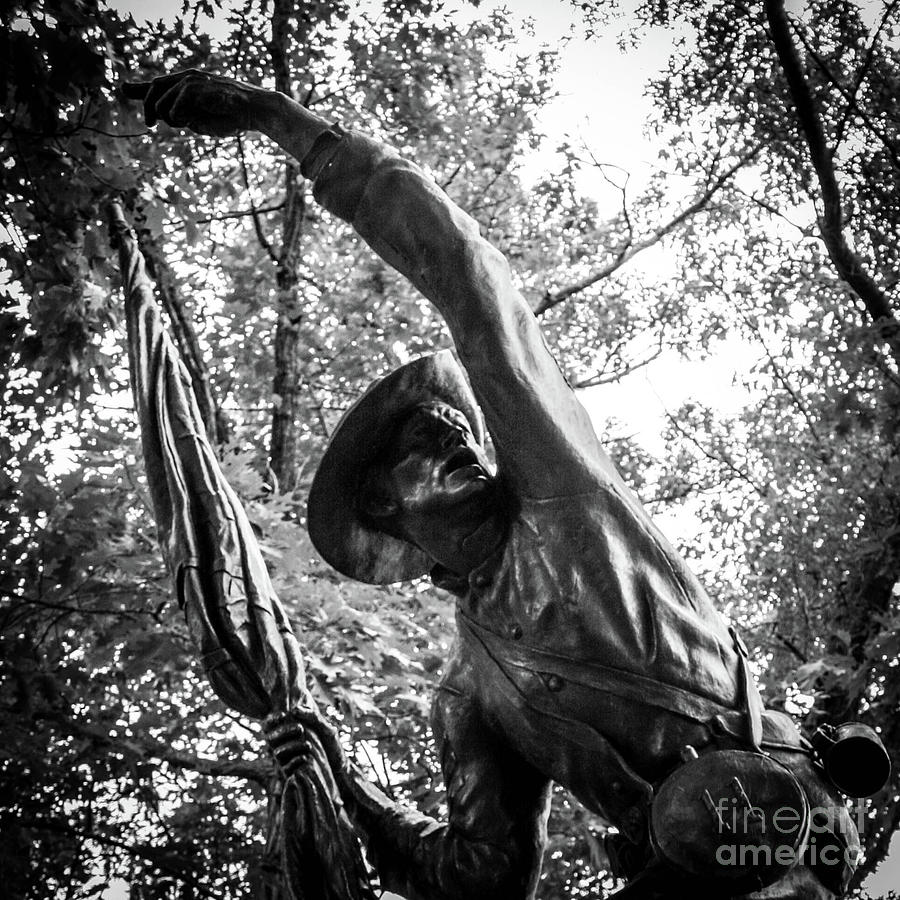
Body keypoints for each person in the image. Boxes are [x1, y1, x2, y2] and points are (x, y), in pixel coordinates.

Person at [126, 69, 862, 899]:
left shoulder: (559, 491)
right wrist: (346, 785)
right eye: (419, 436)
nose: (457, 432)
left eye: (461, 422)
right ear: (383, 506)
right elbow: (481, 877)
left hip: (791, 820)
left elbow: (470, 278)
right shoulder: (470, 691)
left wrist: (280, 119)